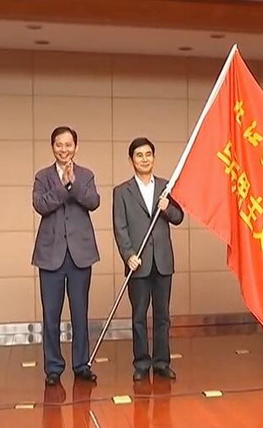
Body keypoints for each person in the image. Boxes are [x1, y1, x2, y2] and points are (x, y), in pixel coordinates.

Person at [32, 126, 100, 386]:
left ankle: (81, 365)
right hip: (50, 255)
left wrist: (73, 184)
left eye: (68, 144)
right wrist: (63, 186)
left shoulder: (86, 175)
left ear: (76, 147)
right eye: (59, 145)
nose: (64, 149)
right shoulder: (43, 176)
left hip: (80, 254)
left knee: (80, 313)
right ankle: (53, 368)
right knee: (51, 314)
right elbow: (41, 205)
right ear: (52, 147)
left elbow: (93, 201)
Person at [113, 137, 184, 381]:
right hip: (138, 263)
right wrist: (128, 255)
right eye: (139, 155)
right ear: (131, 160)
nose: (144, 159)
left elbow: (179, 217)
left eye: (148, 154)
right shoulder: (122, 192)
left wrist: (167, 208)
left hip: (163, 261)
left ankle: (162, 362)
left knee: (162, 316)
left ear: (154, 157)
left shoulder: (166, 187)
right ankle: (142, 363)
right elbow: (120, 227)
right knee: (139, 317)